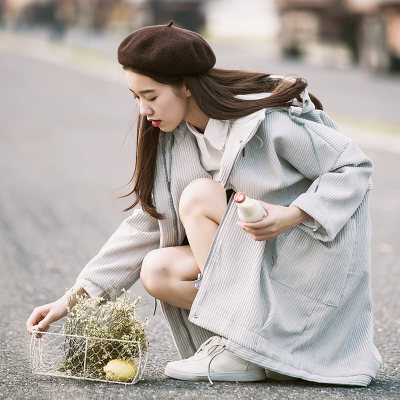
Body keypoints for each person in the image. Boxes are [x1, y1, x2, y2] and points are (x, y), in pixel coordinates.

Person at [26, 21, 382, 386]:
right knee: (157, 270)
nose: (143, 110)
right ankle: (249, 346)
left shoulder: (266, 122)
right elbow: (149, 222)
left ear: (185, 86)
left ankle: (240, 346)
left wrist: (292, 215)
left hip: (300, 262)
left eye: (150, 96)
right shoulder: (174, 137)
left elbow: (353, 166)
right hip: (255, 264)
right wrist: (70, 300)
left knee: (198, 195)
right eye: (136, 97)